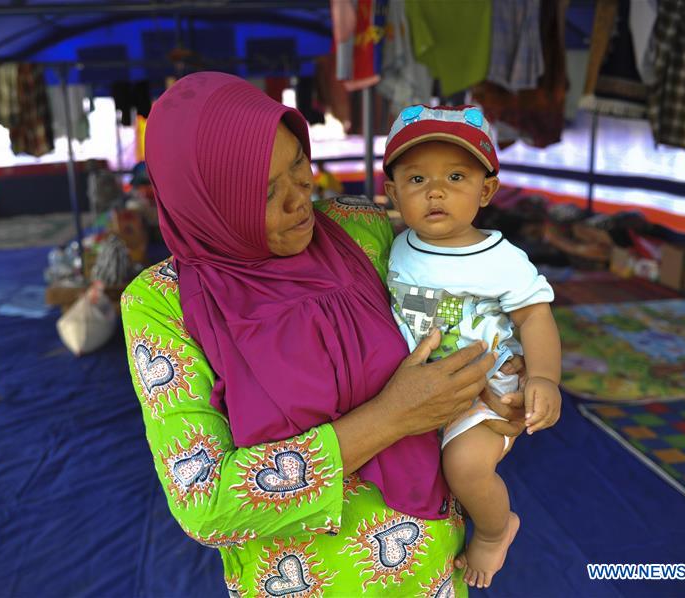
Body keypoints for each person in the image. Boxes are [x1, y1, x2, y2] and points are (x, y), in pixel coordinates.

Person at [121, 72, 527, 596]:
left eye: (299, 167)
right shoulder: (162, 302)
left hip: (434, 575)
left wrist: (495, 378)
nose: (299, 200)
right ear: (205, 198)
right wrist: (390, 417)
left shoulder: (360, 228)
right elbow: (205, 504)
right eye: (266, 192)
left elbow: (454, 316)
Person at [383, 104, 562, 589]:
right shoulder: (396, 245)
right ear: (392, 192)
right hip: (422, 391)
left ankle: (495, 530)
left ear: (486, 190)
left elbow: (534, 315)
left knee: (464, 467)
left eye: (456, 176)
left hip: (487, 391)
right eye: (416, 180)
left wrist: (544, 377)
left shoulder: (502, 259)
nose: (435, 190)